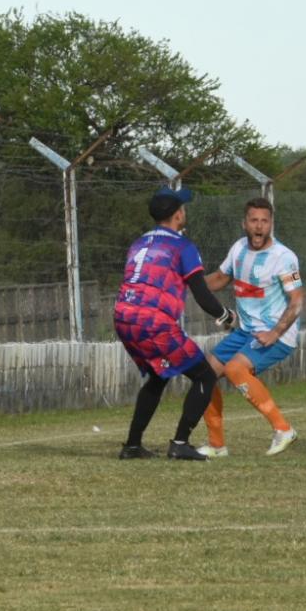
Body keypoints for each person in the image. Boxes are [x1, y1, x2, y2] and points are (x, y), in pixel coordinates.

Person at [114, 186, 237, 461]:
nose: (184, 211)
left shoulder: (138, 243)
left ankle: (132, 445)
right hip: (153, 321)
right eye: (182, 207)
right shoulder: (183, 246)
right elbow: (202, 293)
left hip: (123, 317)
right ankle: (180, 443)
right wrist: (226, 316)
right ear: (177, 214)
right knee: (205, 376)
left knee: (158, 377)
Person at [197, 197, 303, 458]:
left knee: (235, 369)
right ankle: (217, 445)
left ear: (271, 224)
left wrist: (275, 332)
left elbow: (298, 299)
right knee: (203, 376)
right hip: (245, 331)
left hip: (276, 334)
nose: (259, 226)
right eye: (254, 220)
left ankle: (283, 429)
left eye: (264, 221)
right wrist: (187, 283)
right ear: (244, 223)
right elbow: (220, 278)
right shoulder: (238, 249)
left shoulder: (284, 257)